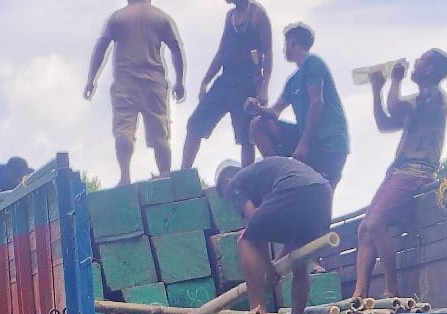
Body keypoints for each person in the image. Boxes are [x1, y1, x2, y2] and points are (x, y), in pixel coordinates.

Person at [352, 50, 447, 299]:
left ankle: (391, 288)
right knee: (364, 229)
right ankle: (359, 293)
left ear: (429, 69)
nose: (415, 62)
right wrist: (376, 90)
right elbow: (385, 123)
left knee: (375, 222)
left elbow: (394, 106)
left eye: (421, 60)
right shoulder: (419, 102)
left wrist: (395, 79)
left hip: (416, 171)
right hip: (400, 170)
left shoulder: (434, 96)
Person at [84, 0, 187, 185]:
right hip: (154, 84)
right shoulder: (160, 18)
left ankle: (125, 176)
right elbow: (176, 50)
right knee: (160, 134)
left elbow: (101, 47)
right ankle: (165, 174)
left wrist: (91, 79)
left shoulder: (117, 18)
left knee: (124, 130)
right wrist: (179, 81)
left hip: (125, 84)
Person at [217, 157, 331, 314]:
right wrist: (275, 264)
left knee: (245, 240)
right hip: (322, 191)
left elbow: (256, 226)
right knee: (298, 253)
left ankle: (258, 313)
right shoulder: (263, 176)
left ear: (225, 181)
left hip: (293, 186)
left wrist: (268, 268)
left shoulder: (234, 184)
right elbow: (277, 237)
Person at [245, 23, 348, 192]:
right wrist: (257, 108)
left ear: (292, 43)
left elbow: (317, 103)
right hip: (307, 140)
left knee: (319, 195)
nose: (284, 49)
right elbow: (275, 112)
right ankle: (280, 176)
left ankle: (290, 180)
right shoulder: (292, 81)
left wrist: (303, 144)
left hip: (329, 143)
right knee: (258, 124)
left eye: (286, 44)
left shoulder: (312, 62)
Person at [182, 0, 273, 170]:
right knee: (195, 123)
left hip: (247, 83)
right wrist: (205, 81)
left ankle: (246, 179)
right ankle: (184, 172)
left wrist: (264, 88)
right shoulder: (230, 16)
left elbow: (267, 52)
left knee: (246, 137)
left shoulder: (257, 15)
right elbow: (221, 52)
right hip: (225, 81)